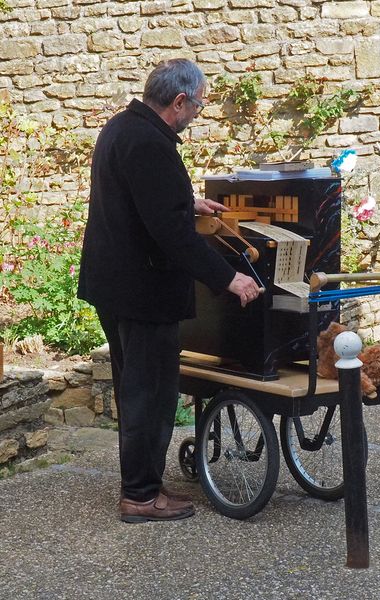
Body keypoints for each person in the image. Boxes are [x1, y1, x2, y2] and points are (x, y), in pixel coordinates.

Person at [78, 58, 260, 523]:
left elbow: (142, 199)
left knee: (135, 389)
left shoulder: (122, 127)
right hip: (142, 292)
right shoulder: (150, 143)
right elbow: (171, 233)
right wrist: (228, 276)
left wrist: (187, 199)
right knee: (151, 394)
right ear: (179, 101)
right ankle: (140, 497)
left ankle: (142, 486)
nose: (197, 114)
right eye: (197, 105)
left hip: (116, 285)